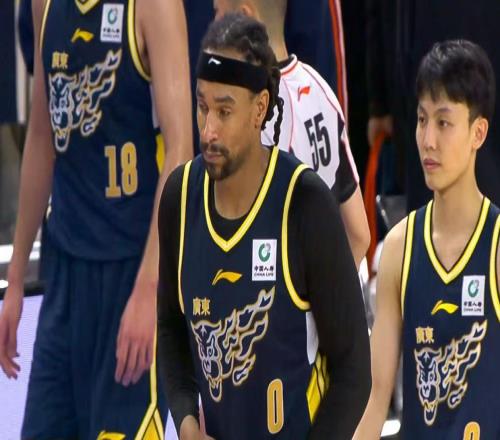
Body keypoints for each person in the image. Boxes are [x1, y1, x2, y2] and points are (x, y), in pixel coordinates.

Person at [157, 12, 371, 440]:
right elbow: (171, 329)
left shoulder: (304, 203)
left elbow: (354, 373)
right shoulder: (179, 197)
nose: (208, 130)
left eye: (224, 111)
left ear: (259, 109)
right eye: (202, 107)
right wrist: (186, 422)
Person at [0, 0, 192, 437]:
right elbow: (42, 135)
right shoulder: (44, 5)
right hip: (65, 276)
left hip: (132, 270)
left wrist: (150, 289)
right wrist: (15, 278)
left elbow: (180, 151)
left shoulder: (154, 6)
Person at [354, 40, 500, 439]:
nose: (428, 140)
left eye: (444, 122)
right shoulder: (400, 246)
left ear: (478, 132)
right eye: (422, 120)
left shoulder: (495, 246)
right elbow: (376, 394)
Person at [213, 0, 370, 268]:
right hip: (317, 285)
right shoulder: (322, 91)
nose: (213, 26)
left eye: (217, 13)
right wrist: (325, 291)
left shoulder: (246, 115)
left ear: (243, 17)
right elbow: (359, 234)